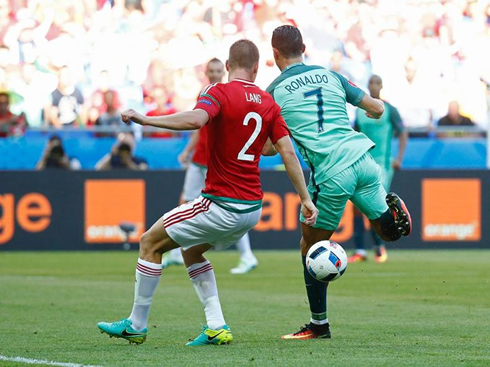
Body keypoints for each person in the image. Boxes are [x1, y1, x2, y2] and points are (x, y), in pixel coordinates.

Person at [97, 39, 318, 346]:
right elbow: (283, 152)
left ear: (227, 66)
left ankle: (136, 324)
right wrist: (305, 199)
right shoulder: (268, 103)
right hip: (252, 208)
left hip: (221, 204)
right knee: (191, 249)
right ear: (257, 68)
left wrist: (146, 119)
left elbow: (196, 119)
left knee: (149, 242)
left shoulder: (217, 91)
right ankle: (216, 325)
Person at [265, 25, 412, 340]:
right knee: (389, 234)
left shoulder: (274, 91)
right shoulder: (330, 75)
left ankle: (319, 326)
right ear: (304, 47)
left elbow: (267, 148)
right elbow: (377, 108)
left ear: (274, 53)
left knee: (310, 246)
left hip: (332, 172)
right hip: (363, 159)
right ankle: (394, 214)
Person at [166, 58, 260, 274]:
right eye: (212, 70)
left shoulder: (226, 94)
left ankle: (247, 255)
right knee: (185, 201)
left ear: (225, 70)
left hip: (217, 161)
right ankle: (175, 251)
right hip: (200, 158)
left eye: (219, 70)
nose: (216, 74)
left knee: (232, 207)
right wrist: (188, 150)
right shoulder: (207, 93)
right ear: (207, 72)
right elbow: (199, 126)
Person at [348, 75, 408, 263]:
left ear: (381, 86)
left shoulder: (390, 110)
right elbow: (353, 134)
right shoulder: (359, 112)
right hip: (362, 161)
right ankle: (360, 249)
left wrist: (398, 158)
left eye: (376, 83)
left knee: (376, 203)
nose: (373, 86)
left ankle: (379, 247)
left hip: (382, 163)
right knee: (357, 207)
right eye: (371, 83)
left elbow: (403, 132)